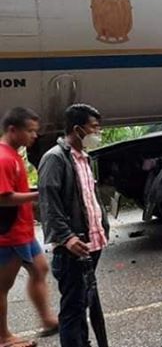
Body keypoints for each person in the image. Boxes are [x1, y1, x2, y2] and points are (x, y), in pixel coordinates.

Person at [38, 104, 110, 347]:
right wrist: (67, 238)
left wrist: (102, 228)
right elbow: (49, 204)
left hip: (91, 243)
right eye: (94, 128)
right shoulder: (55, 159)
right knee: (72, 309)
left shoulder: (84, 158)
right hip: (72, 247)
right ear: (77, 129)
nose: (97, 134)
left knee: (83, 303)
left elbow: (89, 198)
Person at [0, 108, 58, 347]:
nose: (34, 136)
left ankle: (47, 319)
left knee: (40, 269)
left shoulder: (13, 154)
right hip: (9, 235)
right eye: (30, 131)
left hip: (22, 231)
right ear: (13, 130)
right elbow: (2, 198)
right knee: (2, 286)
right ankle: (4, 337)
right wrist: (37, 196)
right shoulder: (3, 158)